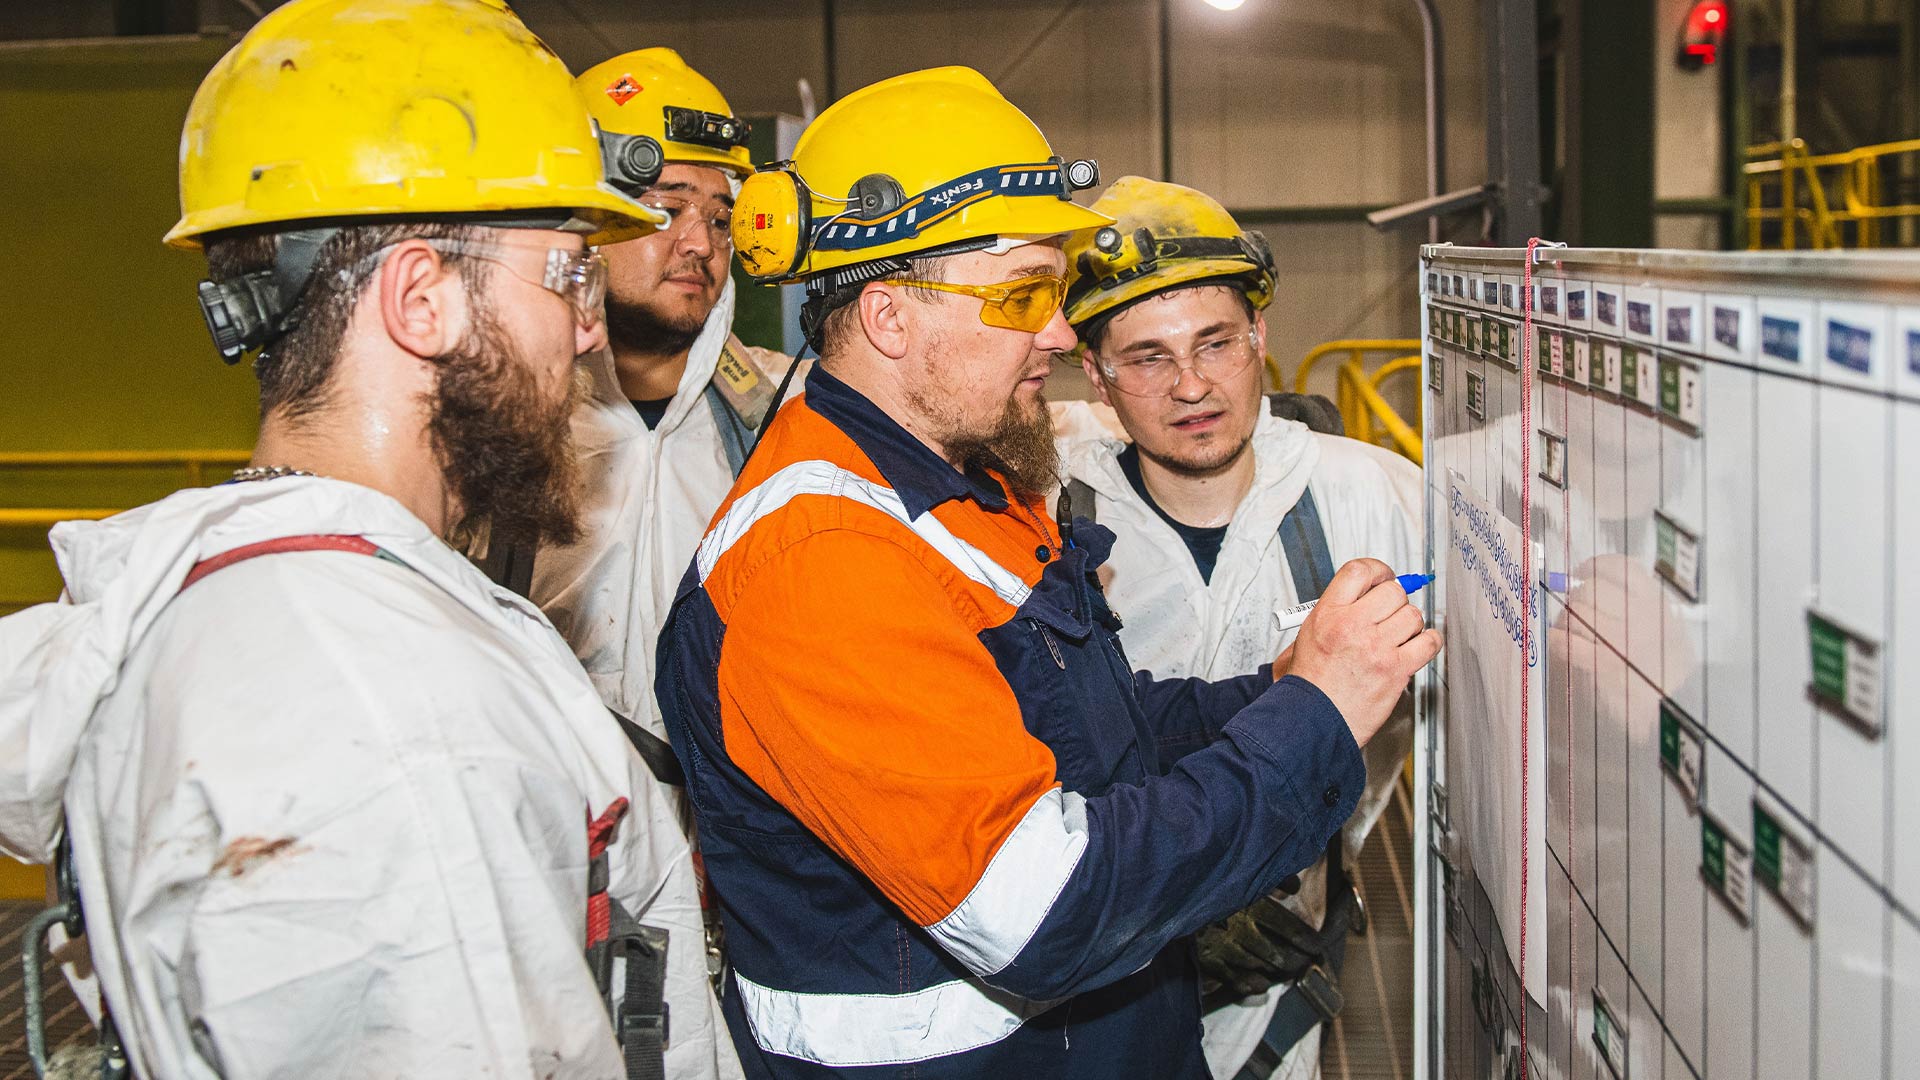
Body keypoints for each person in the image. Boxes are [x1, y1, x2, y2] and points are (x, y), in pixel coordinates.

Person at [655, 66, 1439, 1079]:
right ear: (891, 320)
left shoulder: (966, 482)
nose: (1062, 335)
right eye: (1025, 295)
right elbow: (1048, 910)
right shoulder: (820, 566)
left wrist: (1285, 685)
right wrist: (1314, 723)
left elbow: (1091, 733)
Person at [0, 3, 739, 1077]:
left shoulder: (237, 597)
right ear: (422, 301)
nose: (585, 328)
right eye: (568, 275)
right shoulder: (400, 728)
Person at [1056, 176, 1421, 1080]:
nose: (1191, 385)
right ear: (1096, 374)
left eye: (1215, 342)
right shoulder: (1046, 512)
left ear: (1260, 336)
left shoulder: (1373, 497)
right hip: (1096, 974)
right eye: (1146, 357)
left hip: (1275, 980)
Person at [517, 49, 790, 739]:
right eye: (667, 210)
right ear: (587, 222)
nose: (700, 242)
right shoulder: (504, 417)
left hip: (723, 829)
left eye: (721, 219)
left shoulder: (782, 410)